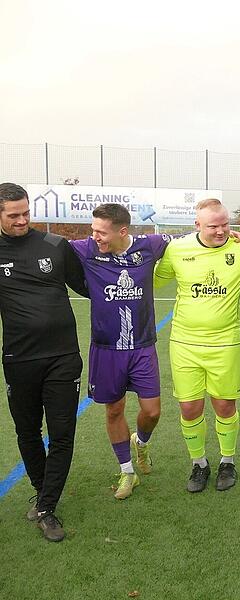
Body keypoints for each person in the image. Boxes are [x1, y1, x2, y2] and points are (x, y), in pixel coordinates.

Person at [0, 182, 88, 542]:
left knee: (62, 433)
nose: (23, 220)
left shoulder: (54, 245)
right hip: (19, 358)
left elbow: (89, 286)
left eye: (26, 212)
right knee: (27, 431)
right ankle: (42, 492)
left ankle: (47, 506)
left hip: (63, 357)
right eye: (13, 215)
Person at [154, 198, 240, 493]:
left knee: (224, 405)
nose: (221, 231)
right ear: (197, 225)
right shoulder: (178, 249)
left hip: (225, 343)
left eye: (225, 224)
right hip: (184, 343)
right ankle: (199, 463)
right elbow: (154, 281)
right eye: (213, 226)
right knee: (189, 407)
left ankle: (227, 461)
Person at [70, 203, 168, 500]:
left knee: (152, 411)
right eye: (93, 230)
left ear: (122, 231)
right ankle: (127, 471)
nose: (94, 236)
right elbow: (48, 248)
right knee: (114, 409)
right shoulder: (86, 249)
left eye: (101, 232)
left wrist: (232, 236)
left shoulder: (149, 246)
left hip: (142, 346)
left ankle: (142, 442)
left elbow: (189, 239)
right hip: (107, 348)